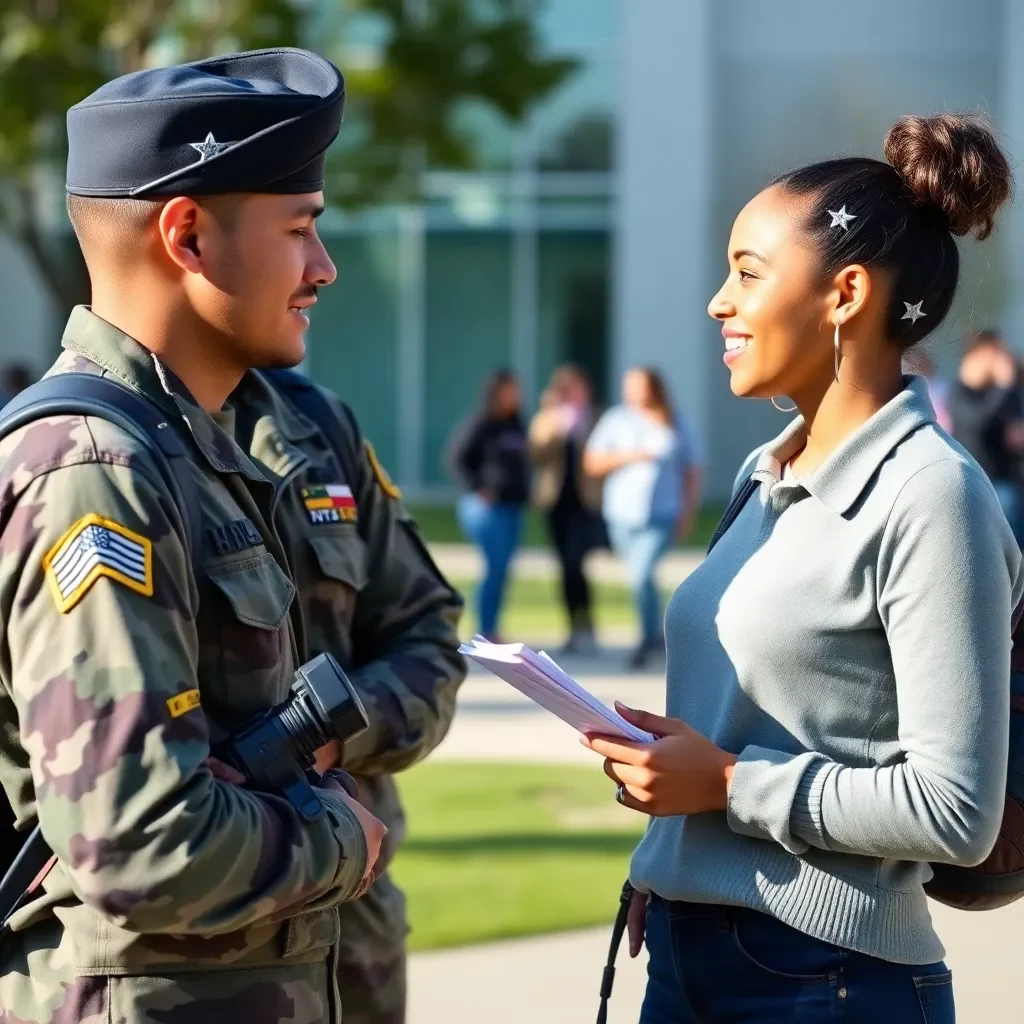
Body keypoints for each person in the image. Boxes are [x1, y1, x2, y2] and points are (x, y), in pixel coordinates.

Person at [583, 114, 1022, 1022]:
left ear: (845, 293)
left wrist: (726, 784)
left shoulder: (933, 494)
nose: (718, 302)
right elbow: (763, 719)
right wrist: (673, 810)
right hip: (681, 948)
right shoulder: (763, 474)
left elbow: (956, 812)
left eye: (747, 273)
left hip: (827, 980)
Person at [0, 50, 388, 1022]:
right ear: (187, 235)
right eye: (300, 229)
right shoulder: (96, 471)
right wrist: (342, 837)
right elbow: (139, 840)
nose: (324, 268)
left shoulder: (187, 447)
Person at [226, 373, 467, 1023]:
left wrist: (336, 734)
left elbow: (430, 637)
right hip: (181, 955)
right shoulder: (88, 448)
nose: (322, 270)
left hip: (351, 925)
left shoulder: (319, 425)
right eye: (296, 257)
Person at [583, 367, 702, 669]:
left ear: (654, 388)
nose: (631, 391)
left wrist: (687, 511)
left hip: (662, 513)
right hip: (622, 514)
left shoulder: (675, 422)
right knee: (639, 578)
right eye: (628, 386)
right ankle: (652, 634)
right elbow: (592, 462)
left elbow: (692, 469)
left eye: (638, 386)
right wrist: (630, 456)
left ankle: (648, 638)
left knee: (641, 575)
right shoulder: (616, 420)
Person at [446, 370, 529, 641]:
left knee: (504, 570)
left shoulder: (517, 424)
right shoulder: (481, 422)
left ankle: (492, 626)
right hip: (485, 508)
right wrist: (478, 488)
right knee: (493, 567)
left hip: (512, 507)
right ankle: (485, 629)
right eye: (509, 390)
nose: (514, 396)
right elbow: (455, 459)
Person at [529, 364, 603, 654]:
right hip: (556, 502)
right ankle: (573, 625)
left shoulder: (594, 418)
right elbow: (535, 452)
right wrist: (556, 427)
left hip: (586, 503)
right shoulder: (547, 419)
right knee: (565, 565)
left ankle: (587, 624)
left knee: (579, 562)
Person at [948, 329, 1024, 544]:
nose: (1002, 359)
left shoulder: (1005, 392)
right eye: (996, 353)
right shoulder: (960, 392)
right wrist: (1002, 387)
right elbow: (977, 423)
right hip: (976, 484)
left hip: (1008, 481)